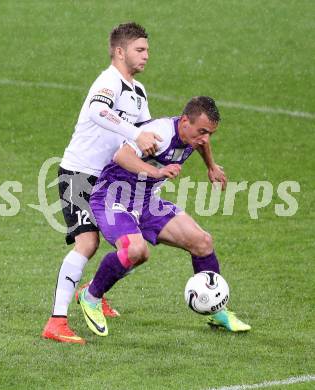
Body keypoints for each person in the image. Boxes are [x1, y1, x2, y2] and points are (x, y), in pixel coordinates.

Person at [42, 22, 226, 344]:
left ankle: (94, 292)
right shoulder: (108, 82)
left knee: (131, 247)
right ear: (119, 51)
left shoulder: (138, 92)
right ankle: (56, 321)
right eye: (139, 50)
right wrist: (135, 135)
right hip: (80, 174)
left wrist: (178, 156)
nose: (146, 56)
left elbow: (148, 136)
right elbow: (99, 111)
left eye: (147, 50)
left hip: (113, 179)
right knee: (88, 244)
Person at [77, 96, 251, 337]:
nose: (205, 138)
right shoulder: (158, 134)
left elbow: (200, 144)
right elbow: (122, 157)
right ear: (184, 121)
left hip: (147, 202)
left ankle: (216, 310)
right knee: (135, 251)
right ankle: (91, 296)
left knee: (202, 242)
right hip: (112, 198)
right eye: (202, 131)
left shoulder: (193, 135)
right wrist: (156, 171)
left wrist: (211, 166)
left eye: (210, 133)